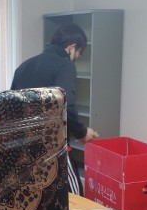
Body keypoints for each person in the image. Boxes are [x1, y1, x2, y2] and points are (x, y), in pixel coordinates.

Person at [11, 22, 99, 195]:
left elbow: (12, 105)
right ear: (71, 48)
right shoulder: (64, 65)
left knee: (36, 196)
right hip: (52, 147)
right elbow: (66, 103)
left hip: (23, 147)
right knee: (74, 196)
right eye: (78, 53)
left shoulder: (24, 66)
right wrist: (81, 132)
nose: (76, 57)